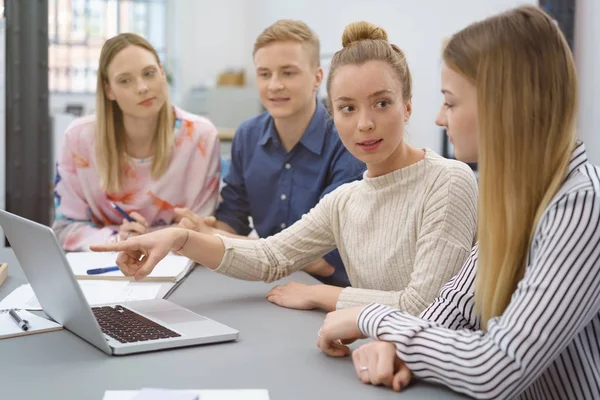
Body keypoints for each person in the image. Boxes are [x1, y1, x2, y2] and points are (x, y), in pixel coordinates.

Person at [90, 22, 479, 318]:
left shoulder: (448, 180)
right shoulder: (345, 201)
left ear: (408, 105)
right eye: (347, 108)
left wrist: (320, 295)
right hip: (368, 351)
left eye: (381, 103)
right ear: (333, 113)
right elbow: (268, 256)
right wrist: (177, 237)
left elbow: (424, 305)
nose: (364, 124)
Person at [315, 6, 600, 400]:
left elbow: (498, 366)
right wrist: (394, 346)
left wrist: (373, 320)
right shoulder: (520, 194)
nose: (438, 118)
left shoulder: (581, 205)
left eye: (450, 101)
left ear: (503, 105)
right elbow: (454, 305)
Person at [173, 20, 365, 287]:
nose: (274, 85)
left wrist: (210, 238)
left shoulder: (346, 140)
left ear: (318, 77)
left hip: (331, 293)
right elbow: (233, 219)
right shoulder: (247, 136)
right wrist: (198, 231)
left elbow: (318, 258)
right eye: (264, 74)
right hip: (265, 285)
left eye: (288, 73)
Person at [52, 33, 220, 251]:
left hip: (178, 265)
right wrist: (117, 239)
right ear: (109, 90)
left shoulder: (201, 137)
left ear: (161, 72)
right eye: (125, 80)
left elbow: (201, 227)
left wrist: (145, 239)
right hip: (101, 267)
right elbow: (64, 228)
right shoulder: (78, 139)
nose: (142, 87)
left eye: (149, 73)